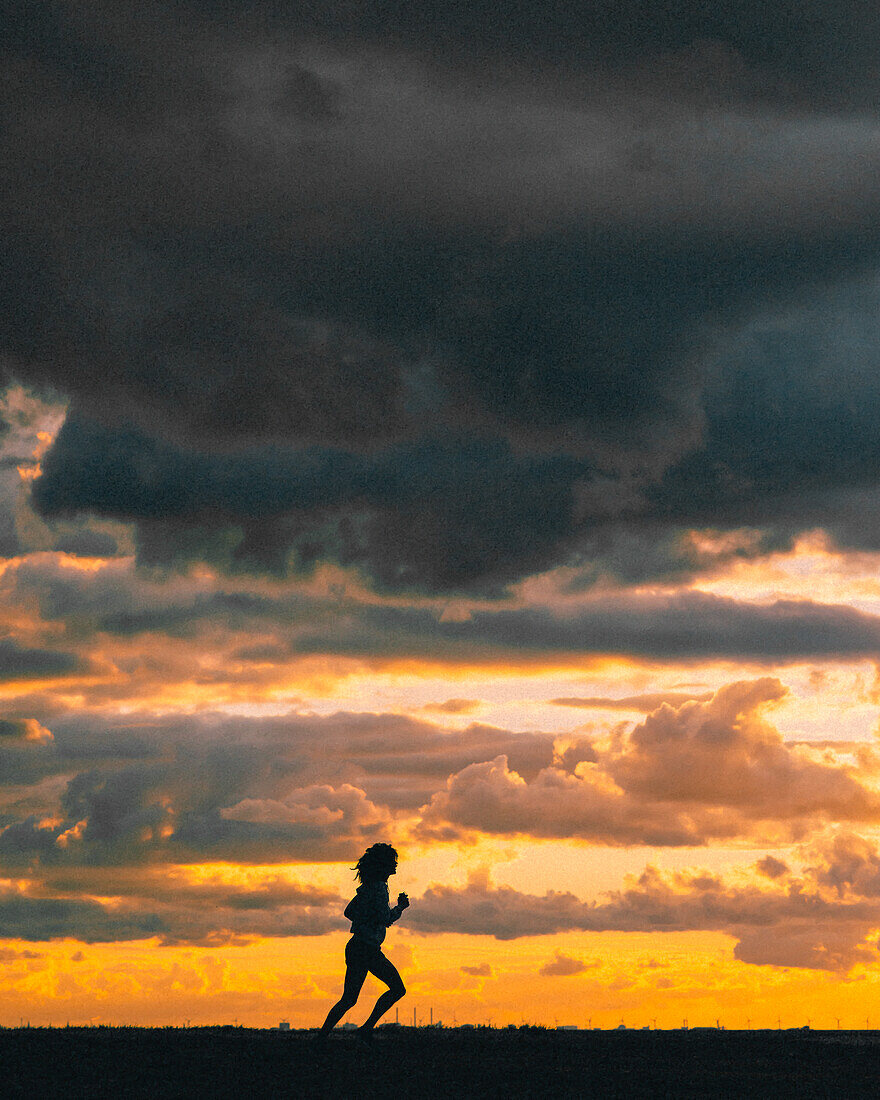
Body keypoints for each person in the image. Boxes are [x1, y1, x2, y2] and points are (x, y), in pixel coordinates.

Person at [320, 843, 410, 1038]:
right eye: (392, 862)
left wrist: (365, 919)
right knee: (397, 989)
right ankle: (366, 1029)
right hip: (367, 949)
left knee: (349, 999)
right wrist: (400, 908)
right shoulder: (378, 888)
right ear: (383, 865)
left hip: (357, 947)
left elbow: (349, 911)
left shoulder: (367, 887)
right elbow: (386, 918)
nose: (395, 865)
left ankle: (321, 1038)